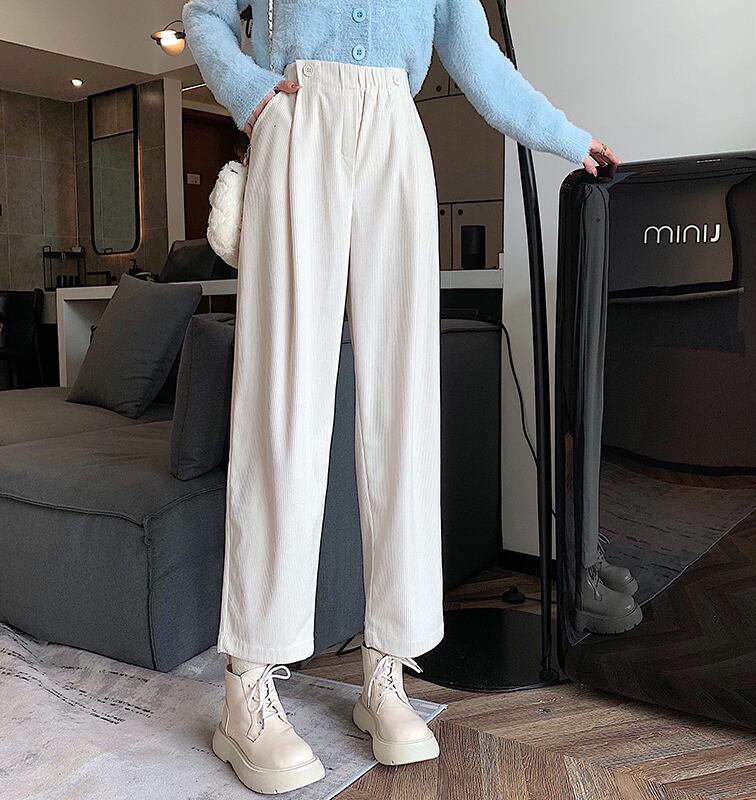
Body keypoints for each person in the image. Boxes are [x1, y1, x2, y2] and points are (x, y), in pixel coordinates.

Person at [182, 0, 621, 793]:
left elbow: (478, 61)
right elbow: (206, 13)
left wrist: (565, 137)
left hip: (395, 129)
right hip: (297, 121)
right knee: (283, 402)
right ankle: (247, 686)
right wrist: (251, 95)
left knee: (404, 410)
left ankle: (386, 669)